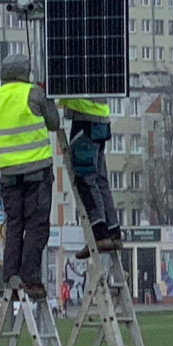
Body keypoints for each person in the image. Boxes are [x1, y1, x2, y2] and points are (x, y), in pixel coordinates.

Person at [0, 53, 59, 301]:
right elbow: (54, 123)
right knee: (37, 226)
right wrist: (45, 95)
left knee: (15, 226)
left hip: (7, 175)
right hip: (36, 173)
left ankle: (10, 277)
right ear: (25, 73)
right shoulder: (33, 93)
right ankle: (31, 278)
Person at [62, 98, 124, 259]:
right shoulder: (97, 73)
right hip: (101, 119)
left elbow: (62, 90)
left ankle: (99, 233)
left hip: (85, 119)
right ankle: (113, 231)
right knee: (100, 180)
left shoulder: (76, 72)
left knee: (85, 178)